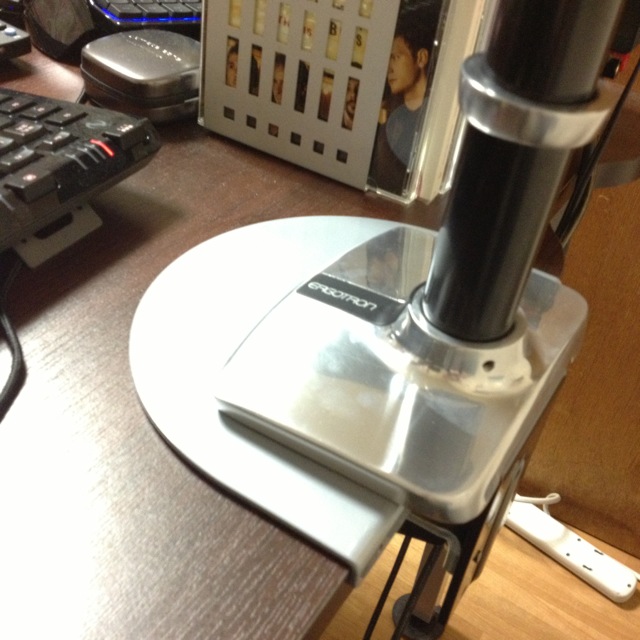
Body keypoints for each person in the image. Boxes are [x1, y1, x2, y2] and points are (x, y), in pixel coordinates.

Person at [368, 0, 441, 195]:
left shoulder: (434, 117)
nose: (389, 67)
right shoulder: (388, 107)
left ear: (421, 58)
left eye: (396, 57)